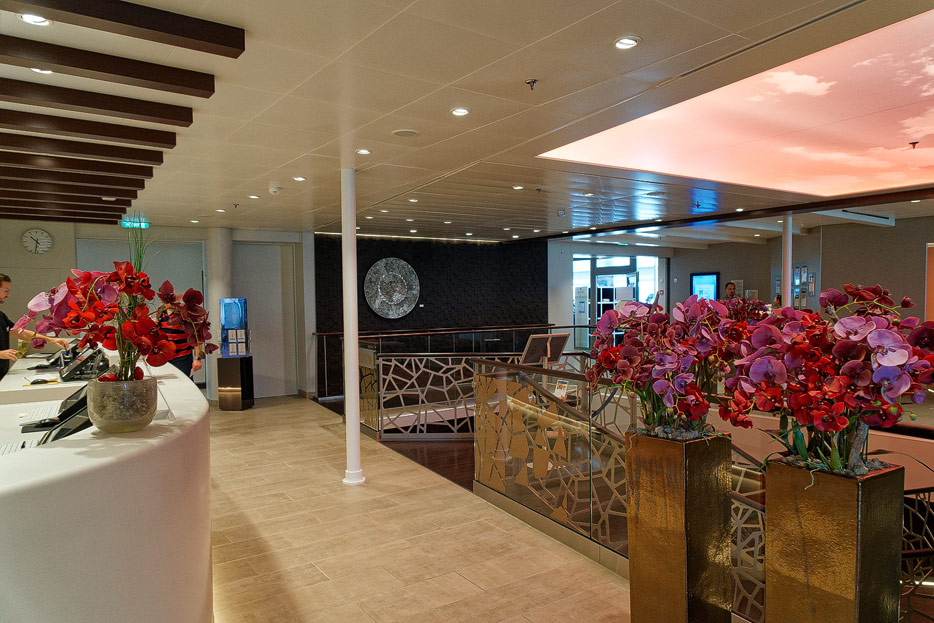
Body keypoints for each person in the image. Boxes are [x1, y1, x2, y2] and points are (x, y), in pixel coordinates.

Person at [0, 273, 71, 381]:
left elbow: (19, 332)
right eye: (6, 290)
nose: (8, 294)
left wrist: (51, 340)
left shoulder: (1, 315)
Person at [156, 301, 203, 378]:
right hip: (165, 357)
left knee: (184, 382)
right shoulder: (160, 311)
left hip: (182, 358)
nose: (169, 301)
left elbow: (197, 336)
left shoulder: (184, 312)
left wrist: (198, 358)